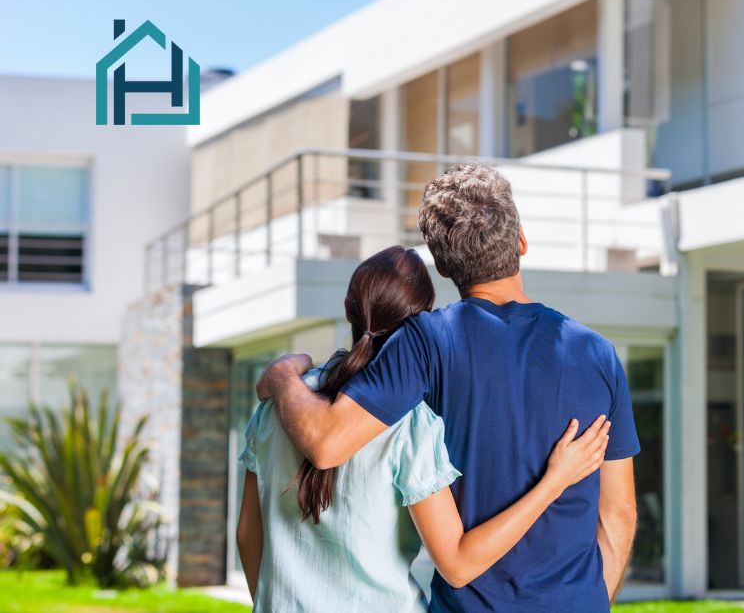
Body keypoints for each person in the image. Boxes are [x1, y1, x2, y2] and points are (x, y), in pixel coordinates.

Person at [257, 164, 639, 612]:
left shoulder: (426, 342)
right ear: (521, 241)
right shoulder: (599, 355)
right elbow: (619, 515)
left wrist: (284, 375)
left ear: (440, 265)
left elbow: (324, 444)